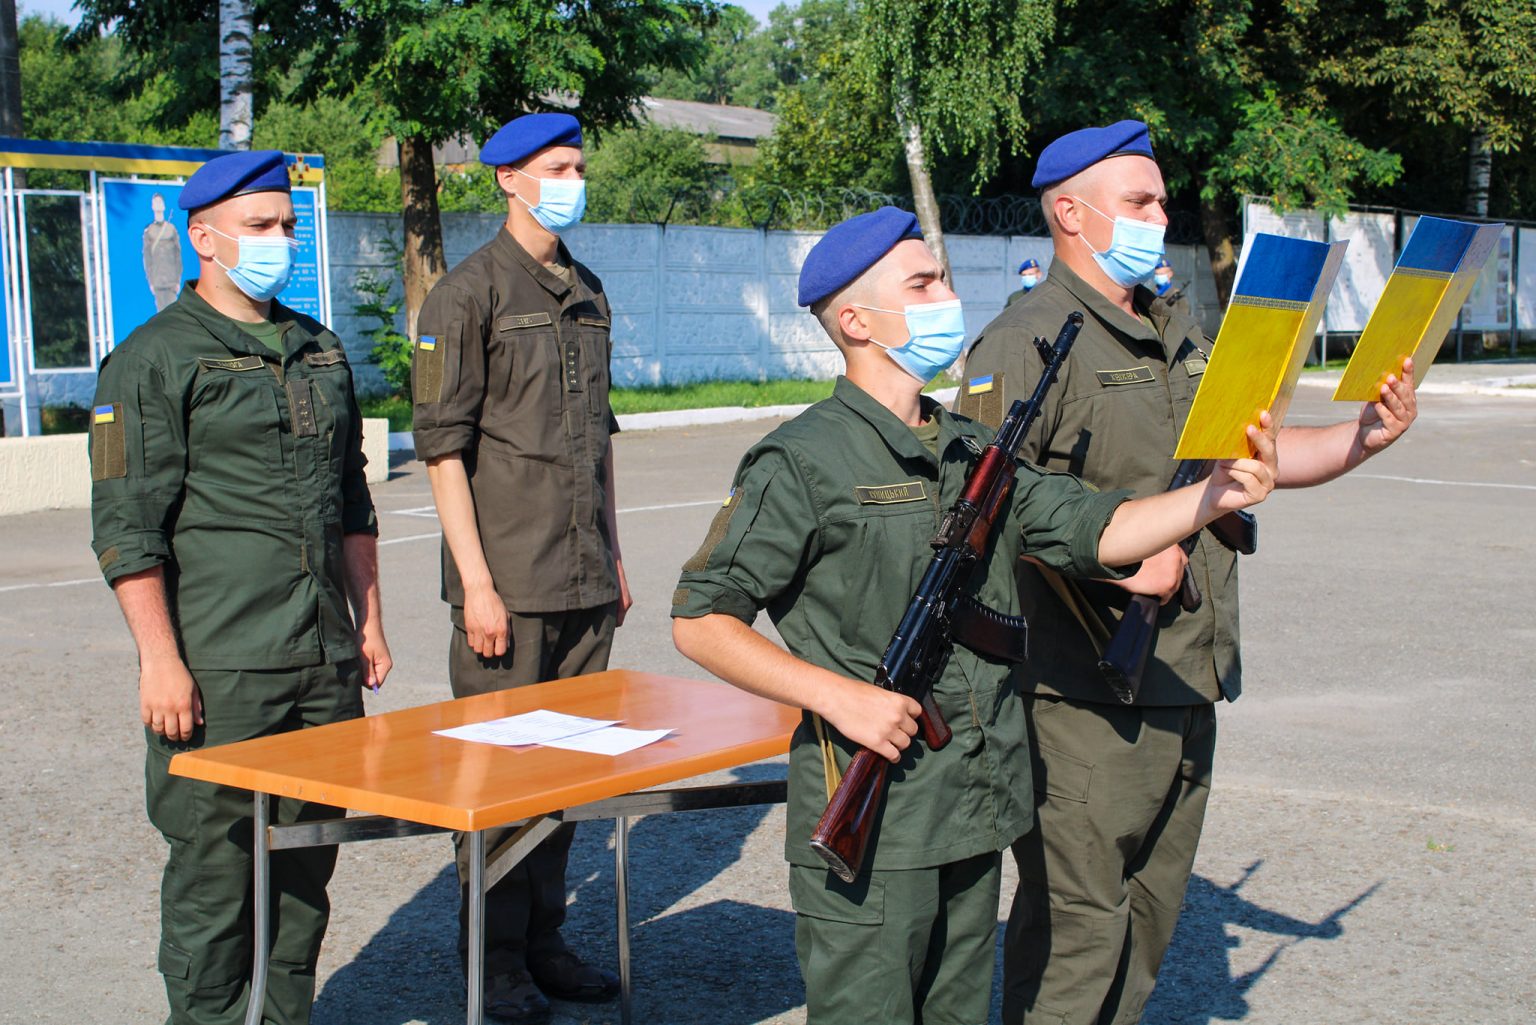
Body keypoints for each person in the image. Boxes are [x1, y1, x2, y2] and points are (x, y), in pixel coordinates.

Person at [670, 206, 1280, 1025]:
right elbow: (701, 618)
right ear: (856, 321)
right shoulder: (802, 459)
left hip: (972, 806)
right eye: (922, 284)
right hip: (877, 820)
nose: (946, 296)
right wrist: (836, 695)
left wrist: (1212, 497)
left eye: (942, 279)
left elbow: (1094, 526)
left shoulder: (971, 450)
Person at [959, 119, 1419, 1025]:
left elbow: (1245, 463)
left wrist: (1367, 435)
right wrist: (1115, 569)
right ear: (1071, 214)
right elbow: (982, 509)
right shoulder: (1025, 340)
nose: (1159, 217)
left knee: (1146, 925)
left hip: (1184, 674)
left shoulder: (1176, 328)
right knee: (1079, 935)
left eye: (1161, 201)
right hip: (1081, 693)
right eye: (1139, 201)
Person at [89, 149, 391, 1025]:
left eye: (287, 225)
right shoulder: (151, 360)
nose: (279, 241)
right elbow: (128, 526)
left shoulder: (319, 348)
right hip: (222, 667)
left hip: (321, 660)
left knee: (304, 869)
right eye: (260, 226)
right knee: (216, 874)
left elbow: (352, 500)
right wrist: (159, 661)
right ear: (204, 238)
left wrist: (368, 621)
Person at [411, 111, 628, 1023]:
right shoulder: (466, 296)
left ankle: (545, 939)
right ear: (507, 178)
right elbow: (442, 450)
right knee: (500, 782)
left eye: (577, 166)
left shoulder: (589, 289)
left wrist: (615, 553)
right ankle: (494, 957)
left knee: (569, 776)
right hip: (509, 584)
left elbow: (600, 438)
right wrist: (478, 584)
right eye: (557, 167)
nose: (573, 181)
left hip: (583, 578)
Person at [142, 191, 182, 311]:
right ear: (152, 206)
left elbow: (178, 256)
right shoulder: (149, 230)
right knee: (161, 314)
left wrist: (177, 280)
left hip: (171, 280)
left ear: (164, 206)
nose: (158, 205)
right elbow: (147, 258)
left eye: (160, 202)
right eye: (155, 202)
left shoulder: (171, 229)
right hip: (157, 281)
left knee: (173, 313)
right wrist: (151, 281)